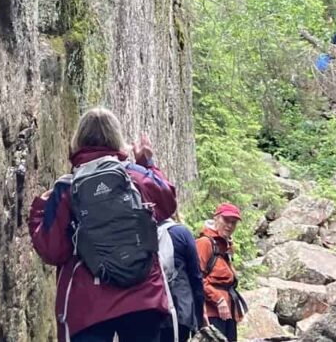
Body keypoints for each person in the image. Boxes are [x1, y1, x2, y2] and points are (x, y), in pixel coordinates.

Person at [29, 108, 177, 342]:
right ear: (116, 139)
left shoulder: (67, 188)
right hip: (143, 297)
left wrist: (39, 209)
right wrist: (148, 163)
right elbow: (168, 202)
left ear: (78, 141)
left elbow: (52, 250)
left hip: (88, 305)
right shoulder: (136, 176)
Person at [196, 203, 248, 341]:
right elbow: (196, 278)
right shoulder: (205, 243)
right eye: (226, 220)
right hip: (212, 311)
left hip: (228, 311)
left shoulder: (225, 246)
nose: (230, 226)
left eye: (234, 222)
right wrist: (218, 299)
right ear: (216, 218)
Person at [158, 213, 205, 342]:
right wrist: (199, 316)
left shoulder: (143, 232)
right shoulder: (181, 233)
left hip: (152, 310)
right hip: (180, 310)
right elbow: (196, 277)